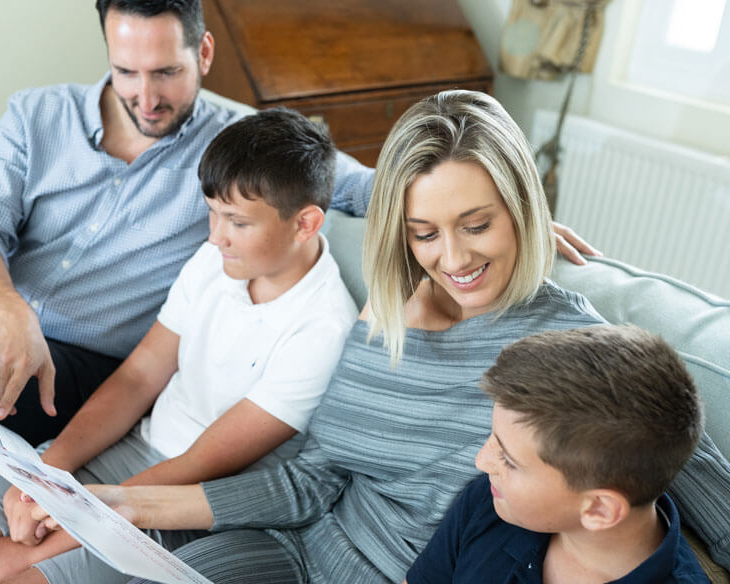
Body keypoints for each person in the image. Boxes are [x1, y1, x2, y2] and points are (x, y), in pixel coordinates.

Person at [71, 90, 728, 584]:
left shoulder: (578, 349)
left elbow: (677, 470)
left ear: (524, 209)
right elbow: (313, 481)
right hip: (293, 545)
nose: (453, 258)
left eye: (478, 224)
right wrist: (134, 504)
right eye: (425, 232)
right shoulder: (389, 310)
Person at [0, 0, 375, 473]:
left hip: (83, 373)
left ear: (204, 54)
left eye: (166, 72)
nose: (146, 97)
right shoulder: (36, 115)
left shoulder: (239, 155)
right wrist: (10, 315)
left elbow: (370, 187)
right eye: (126, 71)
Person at [0, 107, 360, 584]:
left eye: (237, 222)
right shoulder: (216, 258)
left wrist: (20, 556)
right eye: (212, 213)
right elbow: (137, 378)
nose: (216, 236)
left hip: (178, 502)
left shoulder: (323, 330)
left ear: (305, 224)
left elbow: (198, 464)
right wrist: (44, 477)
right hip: (128, 451)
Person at [405, 325, 708, 584]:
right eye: (494, 438)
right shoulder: (491, 500)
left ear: (599, 509)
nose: (482, 461)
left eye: (509, 460)